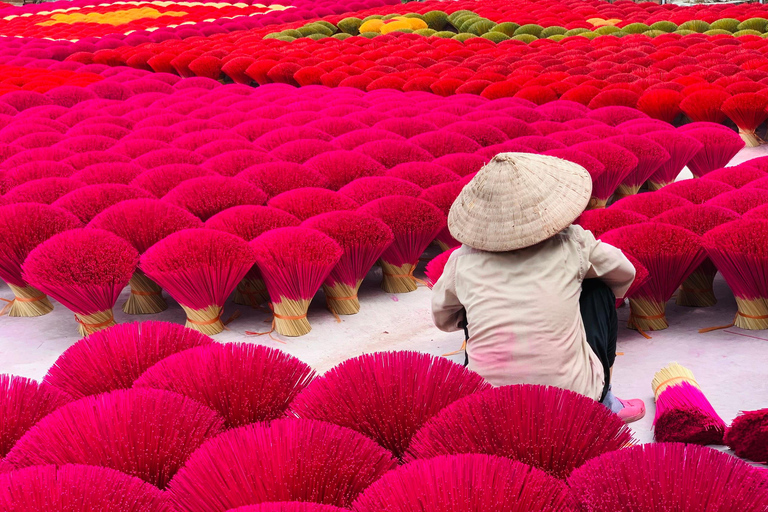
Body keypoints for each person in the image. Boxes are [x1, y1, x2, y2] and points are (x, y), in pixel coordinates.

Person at [431, 152, 645, 423]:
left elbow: (442, 317)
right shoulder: (573, 243)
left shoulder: (461, 260)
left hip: (487, 404)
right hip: (574, 399)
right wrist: (572, 283)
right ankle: (604, 402)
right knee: (599, 291)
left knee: (467, 316)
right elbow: (624, 273)